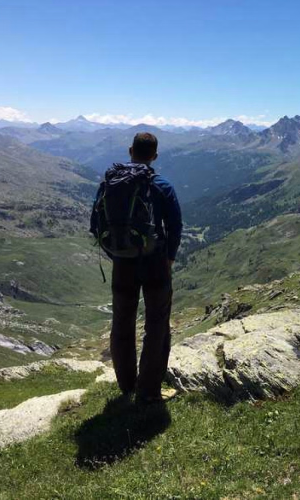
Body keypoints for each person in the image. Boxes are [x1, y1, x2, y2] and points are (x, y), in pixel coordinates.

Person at [90, 132, 182, 405]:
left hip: (122, 262)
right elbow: (175, 226)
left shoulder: (111, 183)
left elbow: (97, 222)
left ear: (130, 151)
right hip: (155, 262)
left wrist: (116, 251)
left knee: (122, 321)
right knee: (156, 324)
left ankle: (126, 384)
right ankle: (149, 391)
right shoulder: (162, 185)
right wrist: (170, 258)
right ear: (154, 156)